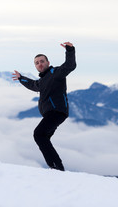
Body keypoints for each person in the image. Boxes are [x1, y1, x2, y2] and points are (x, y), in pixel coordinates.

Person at [12, 42, 76, 171]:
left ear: (48, 62)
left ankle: (56, 167)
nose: (39, 64)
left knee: (39, 134)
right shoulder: (42, 80)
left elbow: (70, 66)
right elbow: (33, 85)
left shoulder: (55, 72)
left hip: (56, 112)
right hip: (51, 114)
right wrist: (21, 78)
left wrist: (70, 51)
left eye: (42, 61)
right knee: (43, 137)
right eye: (37, 63)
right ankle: (56, 166)